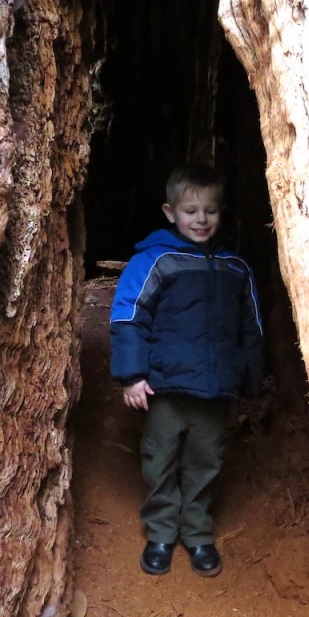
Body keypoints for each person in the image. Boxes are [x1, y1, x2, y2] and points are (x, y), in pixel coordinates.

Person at [110, 164, 264, 577]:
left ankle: (197, 533)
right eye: (191, 210)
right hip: (164, 387)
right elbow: (128, 317)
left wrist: (249, 380)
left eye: (210, 211)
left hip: (215, 391)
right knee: (159, 458)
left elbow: (251, 328)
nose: (201, 219)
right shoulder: (155, 261)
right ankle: (160, 531)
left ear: (221, 212)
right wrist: (131, 375)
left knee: (206, 460)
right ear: (170, 211)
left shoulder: (236, 269)